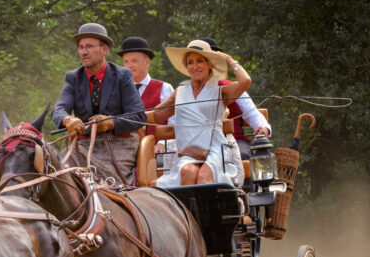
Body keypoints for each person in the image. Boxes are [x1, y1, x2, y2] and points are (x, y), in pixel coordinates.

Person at [52, 22, 145, 185]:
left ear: (104, 50)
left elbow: (138, 116)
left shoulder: (122, 75)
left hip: (119, 144)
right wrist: (68, 120)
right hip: (83, 146)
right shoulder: (74, 78)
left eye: (89, 46)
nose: (83, 52)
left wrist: (110, 123)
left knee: (101, 180)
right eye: (81, 47)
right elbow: (59, 110)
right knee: (57, 174)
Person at [153, 39, 252, 185]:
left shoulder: (220, 91)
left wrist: (229, 59)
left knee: (203, 178)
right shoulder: (179, 92)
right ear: (186, 67)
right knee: (188, 172)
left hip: (215, 149)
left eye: (200, 61)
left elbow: (245, 81)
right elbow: (155, 115)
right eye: (190, 62)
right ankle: (187, 208)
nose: (195, 66)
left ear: (209, 64)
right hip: (189, 150)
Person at [201, 37, 271, 160]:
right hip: (200, 145)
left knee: (242, 156)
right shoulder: (185, 92)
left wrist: (263, 127)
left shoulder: (233, 87)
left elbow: (253, 114)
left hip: (235, 142)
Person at [116, 36, 174, 168]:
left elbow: (175, 122)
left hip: (157, 155)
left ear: (147, 62)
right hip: (125, 155)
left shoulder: (164, 88)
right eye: (126, 62)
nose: (129, 65)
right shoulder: (118, 92)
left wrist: (164, 144)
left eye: (134, 61)